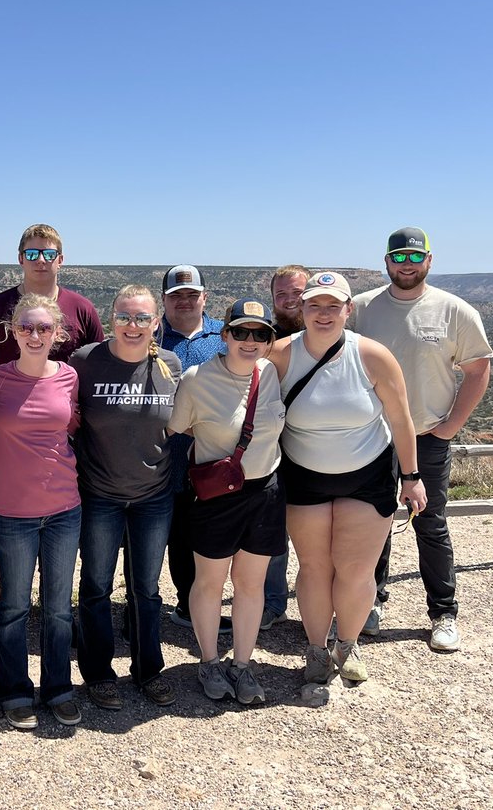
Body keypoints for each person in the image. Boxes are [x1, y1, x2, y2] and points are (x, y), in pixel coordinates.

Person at [269, 271, 428, 684]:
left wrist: (411, 477)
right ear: (301, 309)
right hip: (304, 476)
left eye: (333, 306)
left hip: (368, 474)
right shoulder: (281, 355)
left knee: (357, 569)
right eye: (315, 305)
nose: (324, 314)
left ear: (348, 309)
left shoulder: (373, 356)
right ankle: (317, 648)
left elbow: (401, 419)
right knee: (314, 567)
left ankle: (348, 644)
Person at [0, 223, 103, 661]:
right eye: (32, 253)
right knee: (10, 538)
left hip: (65, 438)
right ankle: (0, 620)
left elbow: (97, 368)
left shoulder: (81, 308)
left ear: (61, 259)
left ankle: (60, 622)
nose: (40, 260)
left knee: (61, 537)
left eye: (48, 254)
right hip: (11, 436)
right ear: (19, 257)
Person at [354, 227, 493, 651]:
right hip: (372, 436)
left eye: (416, 258)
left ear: (429, 261)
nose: (407, 265)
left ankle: (443, 612)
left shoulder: (454, 310)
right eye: (399, 258)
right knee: (373, 522)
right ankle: (369, 602)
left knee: (429, 524)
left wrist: (450, 427)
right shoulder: (361, 308)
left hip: (426, 436)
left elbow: (478, 368)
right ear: (387, 261)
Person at [168, 299, 287, 704]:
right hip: (217, 496)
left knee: (251, 585)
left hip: (265, 492)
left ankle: (242, 663)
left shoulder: (270, 374)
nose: (249, 341)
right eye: (241, 332)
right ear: (225, 335)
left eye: (260, 334)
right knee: (210, 582)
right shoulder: (197, 378)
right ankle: (208, 661)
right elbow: (176, 427)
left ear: (270, 341)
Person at [72, 285, 182, 710]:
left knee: (147, 589)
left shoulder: (169, 365)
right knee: (97, 586)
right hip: (99, 494)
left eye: (141, 318)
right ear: (111, 317)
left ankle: (148, 670)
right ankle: (99, 674)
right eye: (124, 316)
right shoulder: (86, 362)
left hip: (154, 495)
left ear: (156, 323)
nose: (132, 326)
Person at [0, 293, 83, 729]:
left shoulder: (69, 377)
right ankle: (14, 691)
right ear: (12, 331)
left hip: (64, 506)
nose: (35, 335)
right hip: (12, 512)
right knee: (13, 607)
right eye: (26, 327)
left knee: (59, 607)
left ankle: (59, 687)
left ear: (58, 333)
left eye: (45, 328)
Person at [156, 265, 226, 631]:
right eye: (175, 295)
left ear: (204, 298)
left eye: (191, 294)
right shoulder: (148, 337)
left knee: (209, 533)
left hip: (212, 456)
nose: (184, 301)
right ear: (163, 299)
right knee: (169, 536)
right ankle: (172, 605)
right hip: (163, 458)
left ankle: (202, 603)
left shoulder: (224, 337)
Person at [261, 264, 311, 631]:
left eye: (297, 293)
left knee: (322, 539)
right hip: (275, 454)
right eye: (282, 295)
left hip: (320, 454)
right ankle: (273, 603)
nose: (290, 301)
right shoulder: (265, 340)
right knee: (273, 534)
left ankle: (326, 607)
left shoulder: (337, 335)